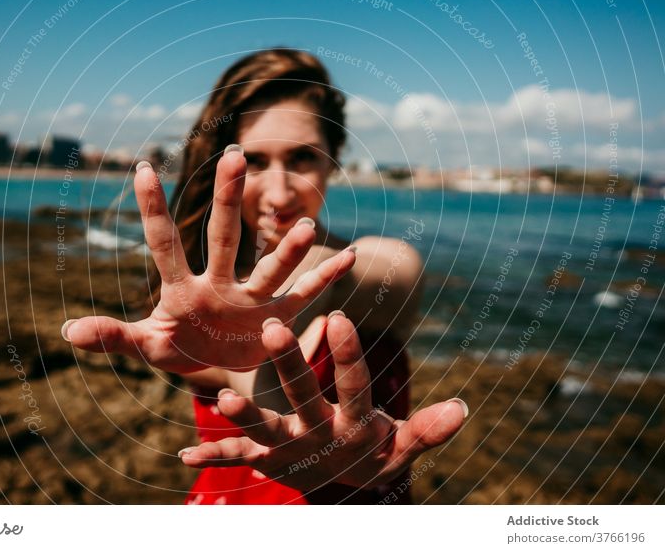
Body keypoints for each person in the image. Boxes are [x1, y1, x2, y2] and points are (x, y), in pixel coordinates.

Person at [61, 48, 467, 504]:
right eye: (254, 161)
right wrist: (318, 452)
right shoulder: (198, 297)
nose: (279, 192)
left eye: (302, 158)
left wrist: (309, 275)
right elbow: (249, 377)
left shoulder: (364, 266)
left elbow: (395, 267)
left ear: (334, 158)